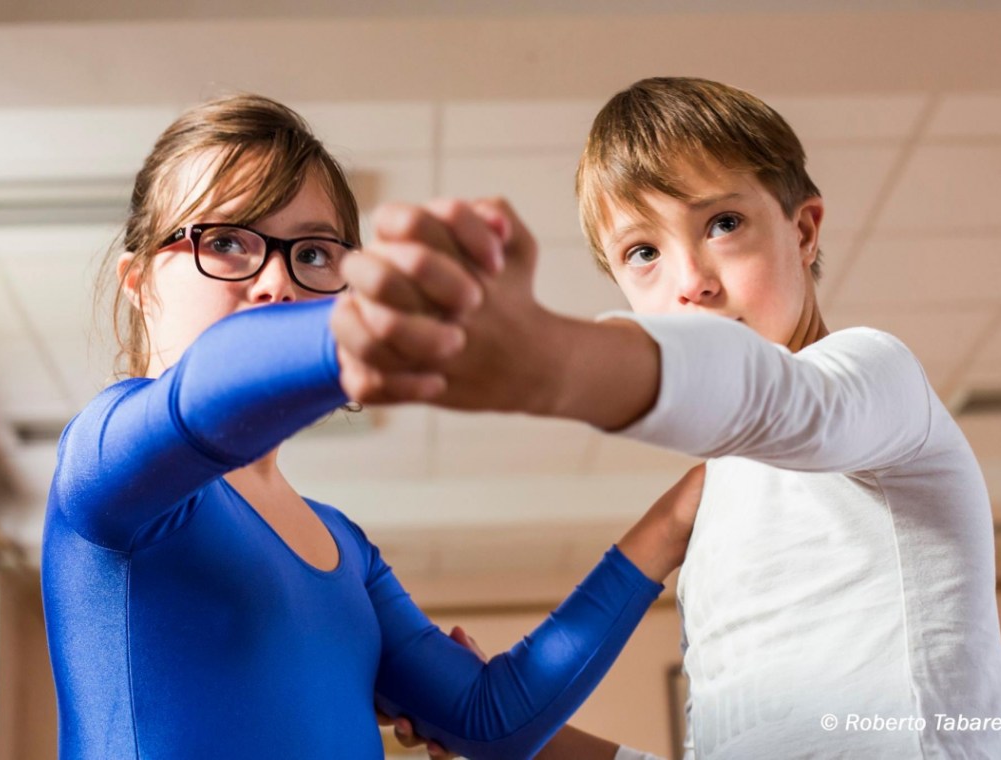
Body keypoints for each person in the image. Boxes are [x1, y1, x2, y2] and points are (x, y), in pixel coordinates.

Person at [332, 77, 1001, 758]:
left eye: (723, 224)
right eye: (644, 253)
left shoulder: (875, 377)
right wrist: (517, 740)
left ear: (805, 229)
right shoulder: (718, 518)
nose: (691, 280)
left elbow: (791, 404)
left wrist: (557, 363)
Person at [40, 92, 706, 760]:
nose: (277, 281)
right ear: (139, 282)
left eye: (313, 253)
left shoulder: (343, 547)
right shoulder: (106, 467)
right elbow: (205, 394)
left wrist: (671, 524)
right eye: (224, 242)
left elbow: (491, 721)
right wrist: (389, 325)